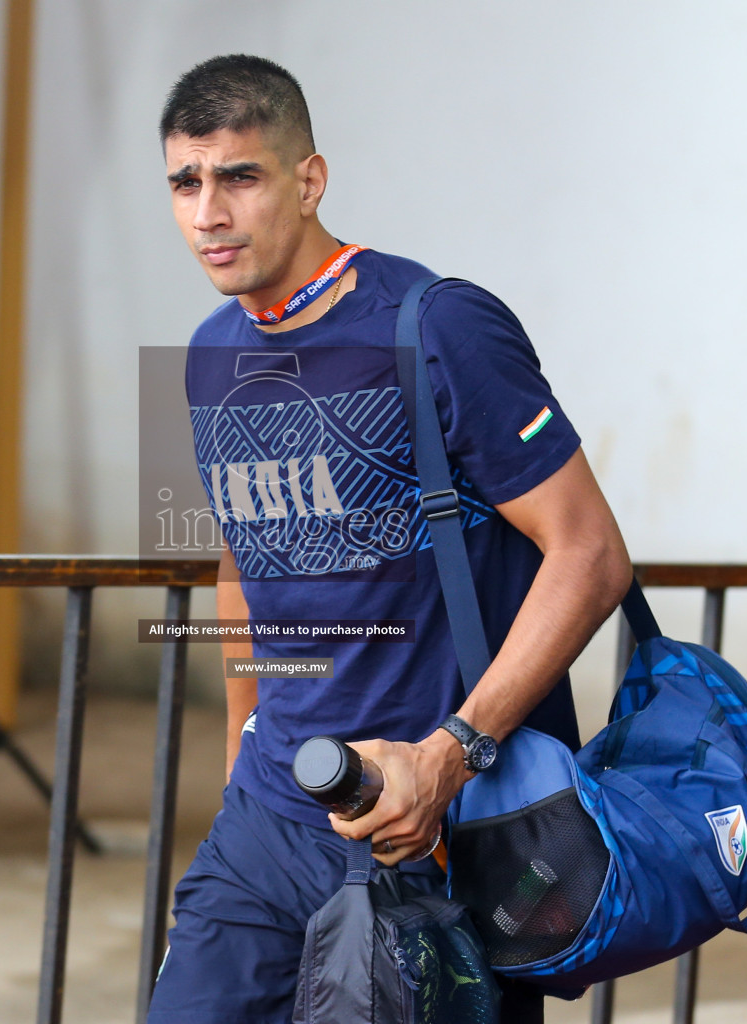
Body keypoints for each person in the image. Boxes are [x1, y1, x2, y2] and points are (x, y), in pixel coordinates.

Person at [149, 54, 632, 1024]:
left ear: (308, 179)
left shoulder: (437, 324)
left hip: (434, 832)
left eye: (239, 176)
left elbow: (590, 552)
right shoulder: (204, 355)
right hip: (269, 820)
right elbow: (241, 560)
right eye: (185, 182)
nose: (209, 212)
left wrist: (450, 754)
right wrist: (243, 745)